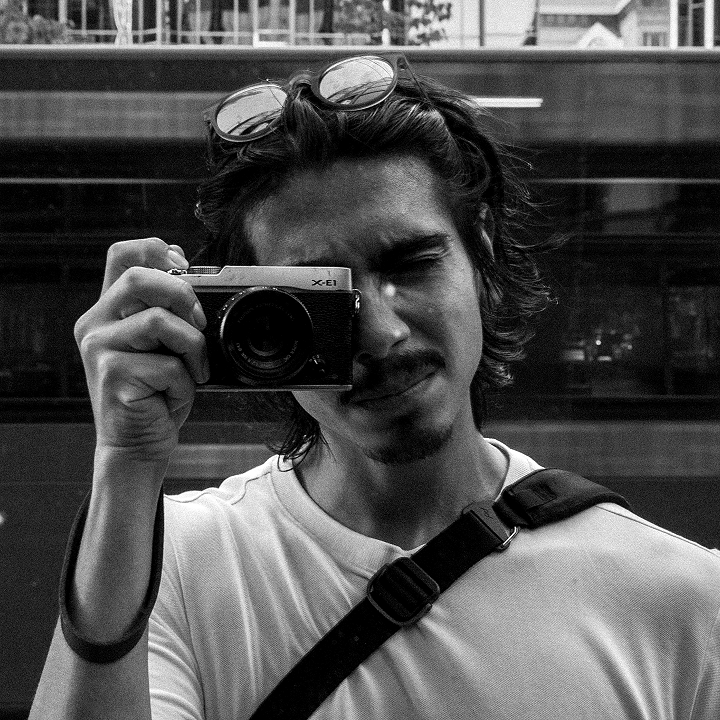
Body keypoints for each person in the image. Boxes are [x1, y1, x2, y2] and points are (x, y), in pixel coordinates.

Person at [31, 54, 719, 720]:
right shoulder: (171, 568)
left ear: (480, 254)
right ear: (246, 320)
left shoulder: (681, 601)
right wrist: (125, 469)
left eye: (411, 265)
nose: (381, 334)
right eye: (319, 302)